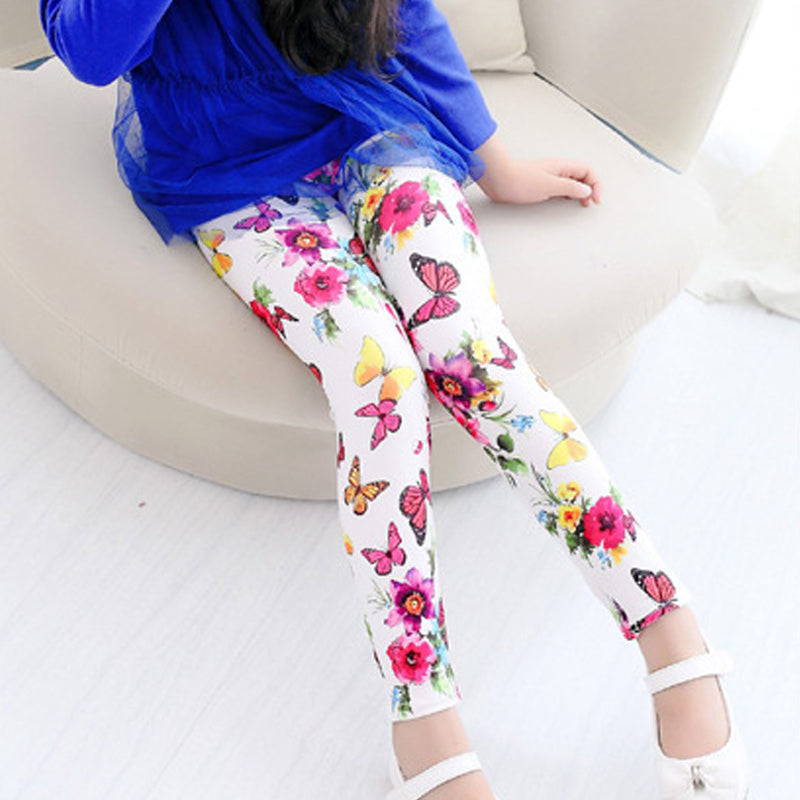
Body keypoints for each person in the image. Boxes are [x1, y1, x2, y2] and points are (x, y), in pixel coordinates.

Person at [40, 1, 749, 798]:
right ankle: (423, 715)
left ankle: (668, 628)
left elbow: (405, 13)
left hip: (373, 126)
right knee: (377, 381)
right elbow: (90, 50)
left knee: (469, 352)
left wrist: (497, 165)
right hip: (228, 170)